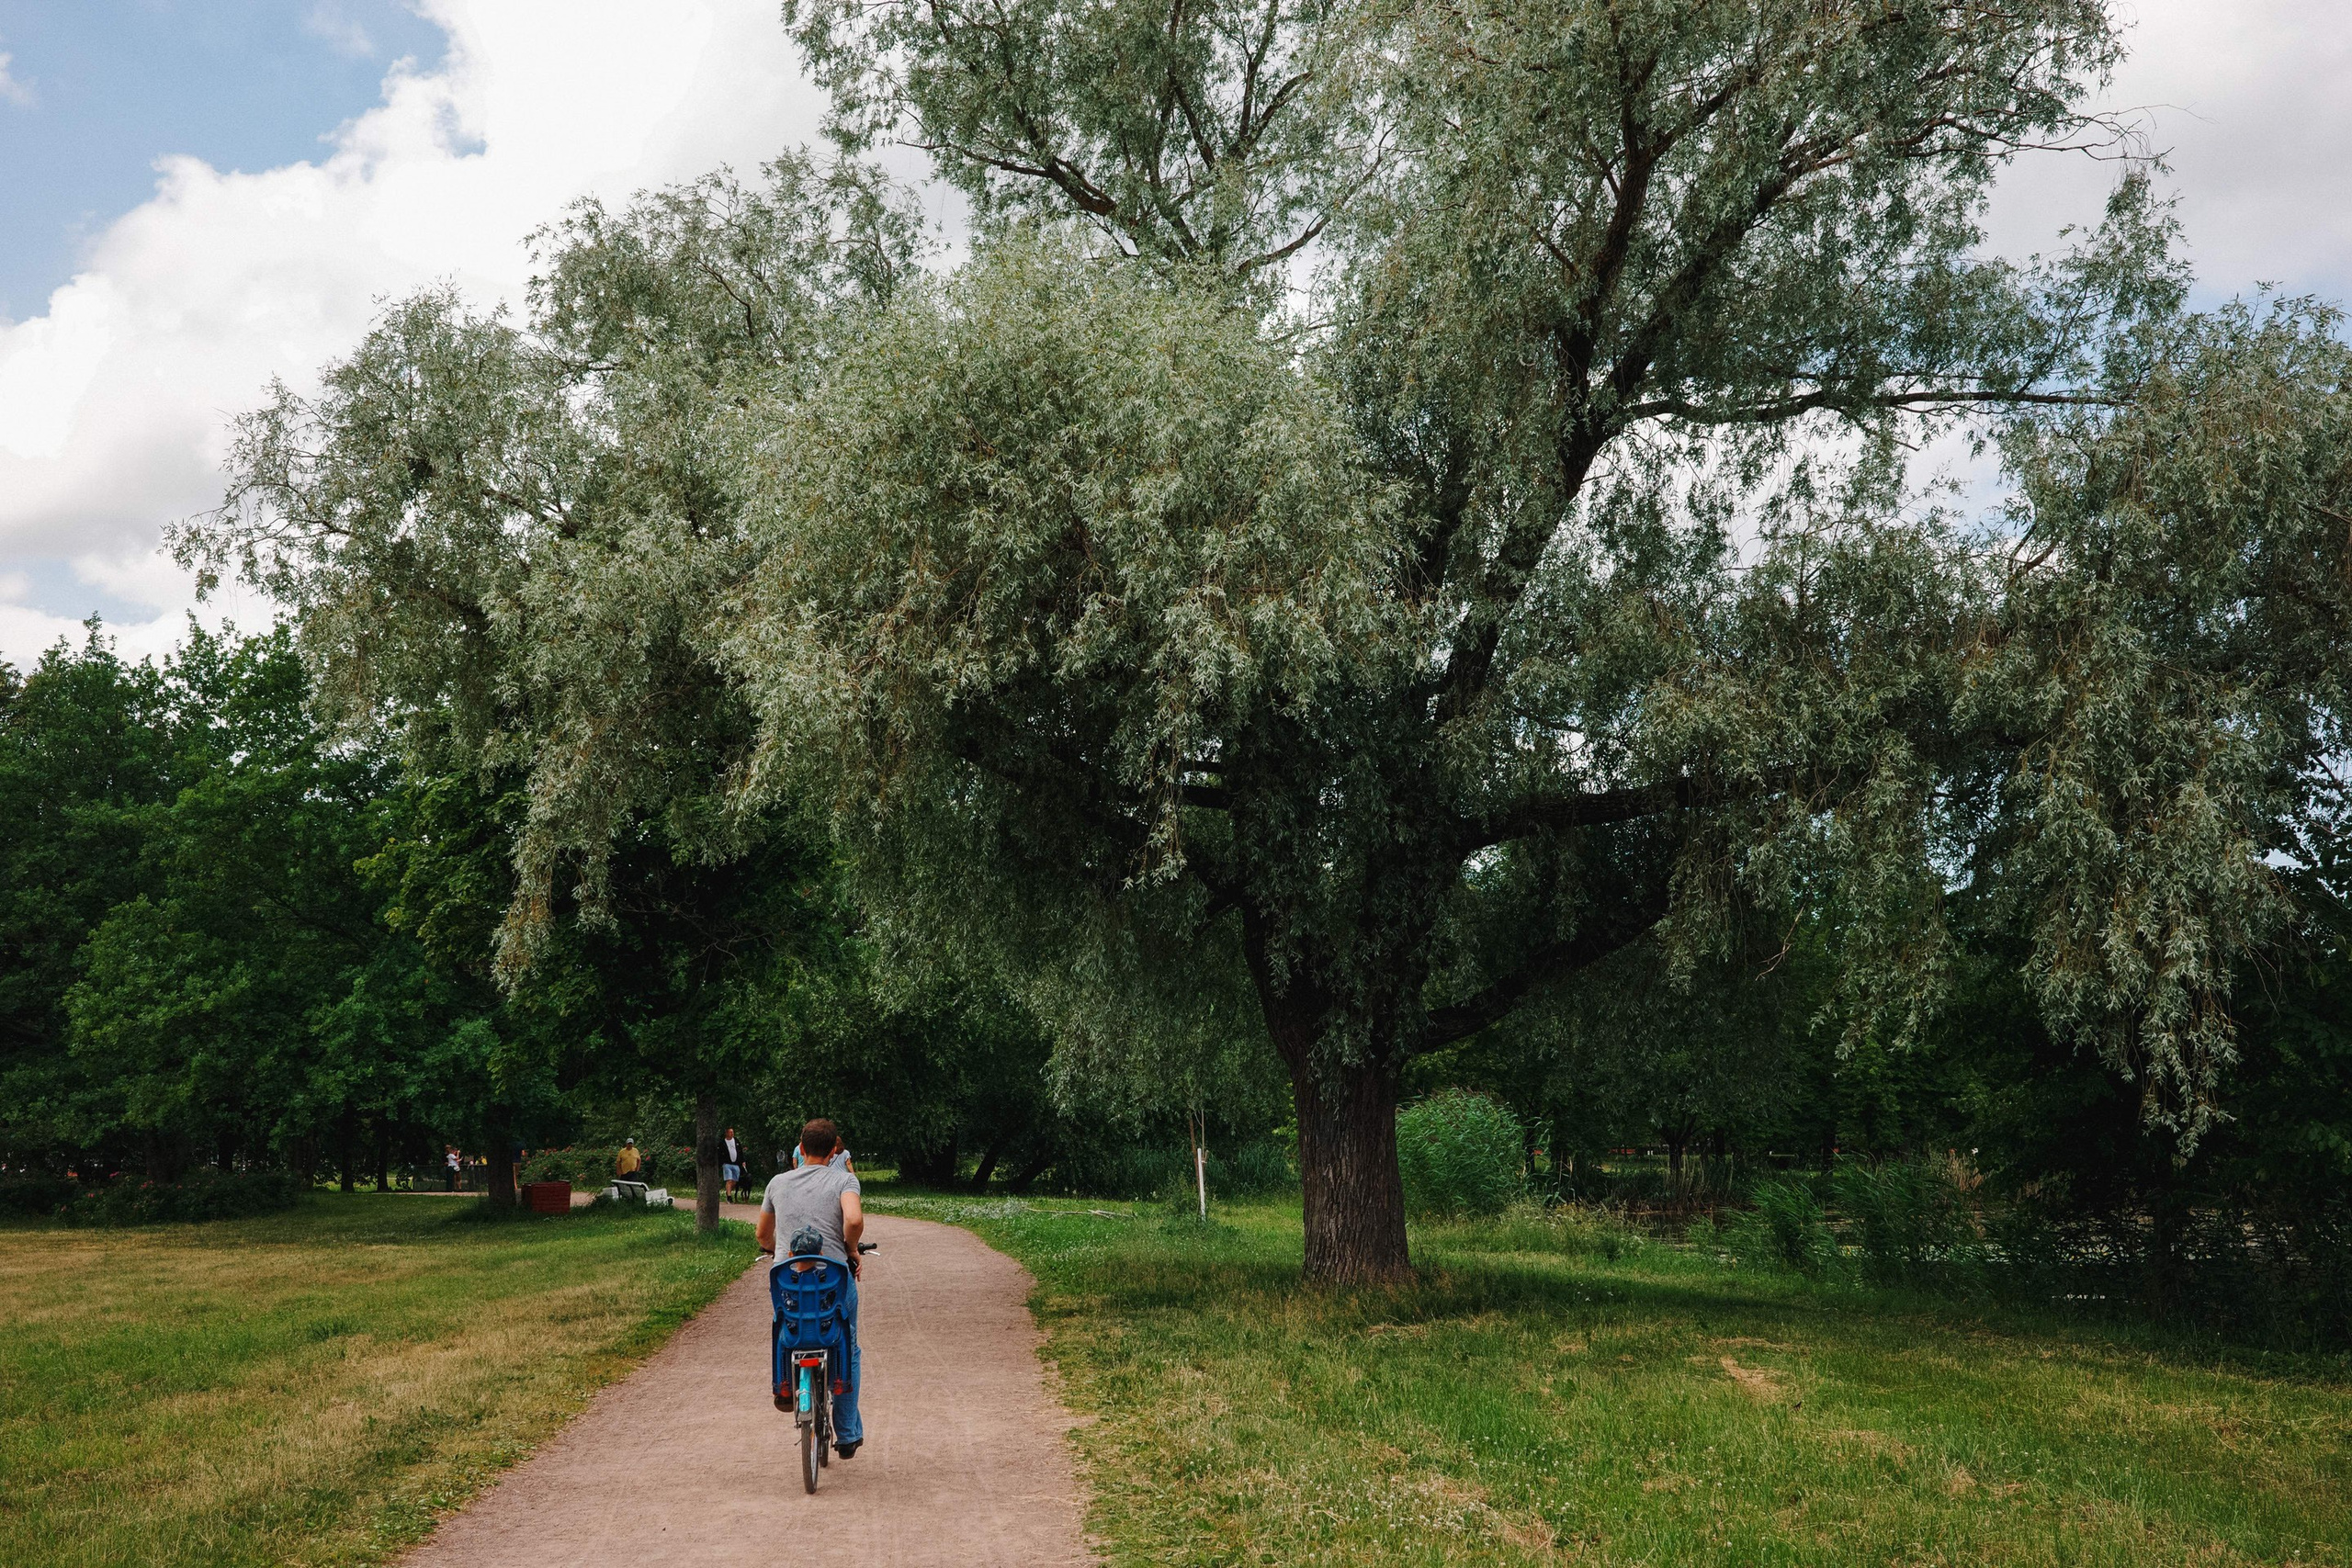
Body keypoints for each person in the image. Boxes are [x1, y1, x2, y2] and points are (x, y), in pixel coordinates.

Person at [757, 1118, 865, 1459]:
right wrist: (850, 1250)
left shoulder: (777, 1183)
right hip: (832, 1282)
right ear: (835, 1149)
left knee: (782, 1326)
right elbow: (855, 1220)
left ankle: (785, 1389)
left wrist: (774, 1249)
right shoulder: (844, 1180)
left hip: (788, 1282)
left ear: (801, 1149)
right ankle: (846, 1433)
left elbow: (762, 1235)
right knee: (848, 1342)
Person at [722, 1127, 745, 1200]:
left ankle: (728, 1191)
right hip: (727, 1164)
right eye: (730, 1132)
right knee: (729, 1180)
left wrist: (743, 1161)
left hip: (736, 1164)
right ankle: (729, 1197)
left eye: (733, 1132)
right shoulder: (722, 1142)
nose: (732, 1133)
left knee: (734, 1181)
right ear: (726, 1133)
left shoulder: (736, 1141)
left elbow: (740, 1151)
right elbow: (720, 1153)